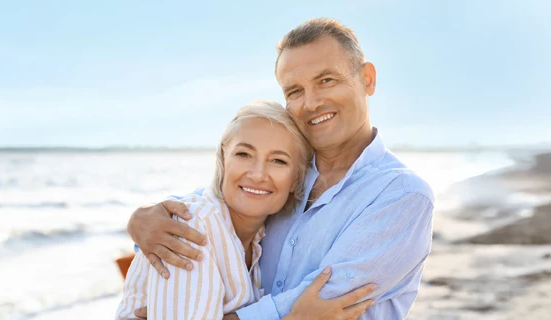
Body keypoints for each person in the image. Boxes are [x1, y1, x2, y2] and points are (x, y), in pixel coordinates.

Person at [126, 18, 435, 320]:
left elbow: (327, 298)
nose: (311, 102)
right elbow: (215, 210)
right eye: (294, 91)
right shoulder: (282, 178)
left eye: (326, 80)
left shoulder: (402, 194)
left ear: (367, 79)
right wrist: (146, 220)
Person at [116, 101, 374, 320]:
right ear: (223, 160)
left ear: (296, 179)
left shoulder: (260, 239)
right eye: (244, 154)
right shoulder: (195, 227)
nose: (258, 174)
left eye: (278, 160)